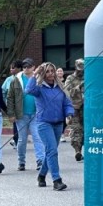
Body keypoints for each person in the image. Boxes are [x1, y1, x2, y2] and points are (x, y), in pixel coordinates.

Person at [26, 61, 75, 191]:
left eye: (52, 71)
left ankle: (41, 175)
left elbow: (67, 103)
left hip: (59, 123)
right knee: (52, 150)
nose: (50, 74)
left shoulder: (60, 87)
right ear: (43, 73)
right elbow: (28, 90)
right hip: (44, 123)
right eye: (47, 71)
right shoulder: (39, 87)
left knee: (50, 151)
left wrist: (69, 114)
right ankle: (56, 180)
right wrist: (35, 73)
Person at [4, 58, 42, 173]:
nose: (26, 69)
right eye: (24, 67)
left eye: (29, 67)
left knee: (37, 137)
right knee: (22, 139)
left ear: (33, 67)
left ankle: (40, 160)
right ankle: (21, 161)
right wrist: (11, 114)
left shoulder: (39, 79)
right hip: (21, 115)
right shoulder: (16, 80)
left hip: (36, 114)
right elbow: (10, 98)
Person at [64, 58, 86, 161]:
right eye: (79, 70)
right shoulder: (70, 78)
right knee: (77, 129)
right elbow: (67, 92)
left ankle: (87, 151)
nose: (81, 72)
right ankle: (78, 151)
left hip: (86, 108)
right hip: (75, 108)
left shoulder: (87, 77)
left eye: (82, 70)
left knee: (86, 129)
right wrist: (79, 86)